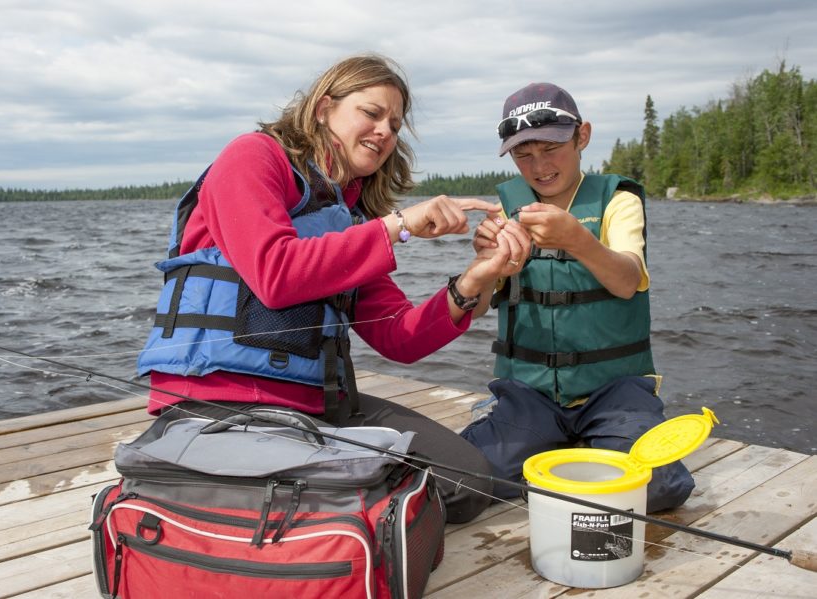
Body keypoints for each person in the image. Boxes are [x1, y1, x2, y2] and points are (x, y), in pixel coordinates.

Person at [136, 54, 517, 523]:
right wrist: (398, 225)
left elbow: (400, 337)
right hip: (221, 404)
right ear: (323, 109)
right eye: (372, 113)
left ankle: (330, 505)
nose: (385, 132)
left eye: (394, 125)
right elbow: (274, 275)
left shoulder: (350, 220)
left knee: (469, 482)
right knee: (363, 498)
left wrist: (475, 278)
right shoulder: (252, 156)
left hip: (316, 405)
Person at [460, 82, 695, 513]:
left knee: (660, 486)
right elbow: (472, 311)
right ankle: (551, 441)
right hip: (529, 392)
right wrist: (484, 267)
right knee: (457, 484)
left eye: (551, 148)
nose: (539, 166)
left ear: (581, 137)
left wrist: (578, 240)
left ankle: (581, 442)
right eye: (523, 154)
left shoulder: (618, 200)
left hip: (614, 390)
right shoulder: (505, 207)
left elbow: (627, 280)